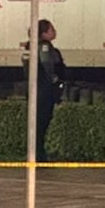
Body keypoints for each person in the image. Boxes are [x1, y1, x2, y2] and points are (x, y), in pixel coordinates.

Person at [34, 19, 66, 162]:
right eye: (51, 30)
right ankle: (38, 155)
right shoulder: (45, 48)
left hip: (40, 91)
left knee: (39, 123)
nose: (54, 32)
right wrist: (54, 79)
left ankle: (38, 153)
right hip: (44, 92)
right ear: (44, 33)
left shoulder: (35, 46)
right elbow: (47, 64)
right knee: (42, 122)